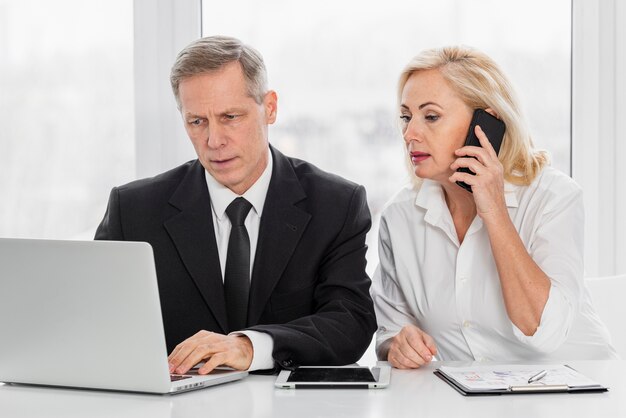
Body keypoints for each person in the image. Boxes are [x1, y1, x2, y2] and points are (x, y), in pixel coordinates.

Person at [95, 35, 376, 374]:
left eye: (230, 117)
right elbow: (96, 322)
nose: (214, 141)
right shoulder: (134, 210)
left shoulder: (336, 204)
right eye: (197, 121)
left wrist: (249, 346)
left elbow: (350, 323)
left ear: (269, 107)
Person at [371, 46, 618, 369]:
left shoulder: (553, 197)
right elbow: (389, 332)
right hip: (472, 399)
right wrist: (396, 345)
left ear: (485, 124)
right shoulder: (400, 216)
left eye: (430, 117)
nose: (409, 133)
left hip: (582, 389)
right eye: (406, 117)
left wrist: (495, 213)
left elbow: (544, 331)